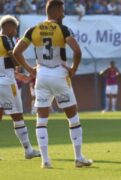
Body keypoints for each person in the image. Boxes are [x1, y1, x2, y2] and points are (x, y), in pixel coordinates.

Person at [13, 0, 92, 168]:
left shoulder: (33, 30)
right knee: (73, 118)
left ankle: (45, 160)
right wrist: (73, 69)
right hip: (59, 74)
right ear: (56, 11)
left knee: (41, 120)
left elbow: (16, 51)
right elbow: (77, 51)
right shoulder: (63, 29)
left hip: (41, 76)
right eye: (62, 11)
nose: (63, 14)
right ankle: (78, 158)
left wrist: (30, 70)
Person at [0, 15, 41, 159]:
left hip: (3, 81)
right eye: (15, 28)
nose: (15, 32)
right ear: (9, 26)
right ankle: (28, 150)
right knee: (17, 116)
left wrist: (17, 74)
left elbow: (4, 65)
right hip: (6, 85)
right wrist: (29, 69)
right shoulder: (5, 39)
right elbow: (13, 58)